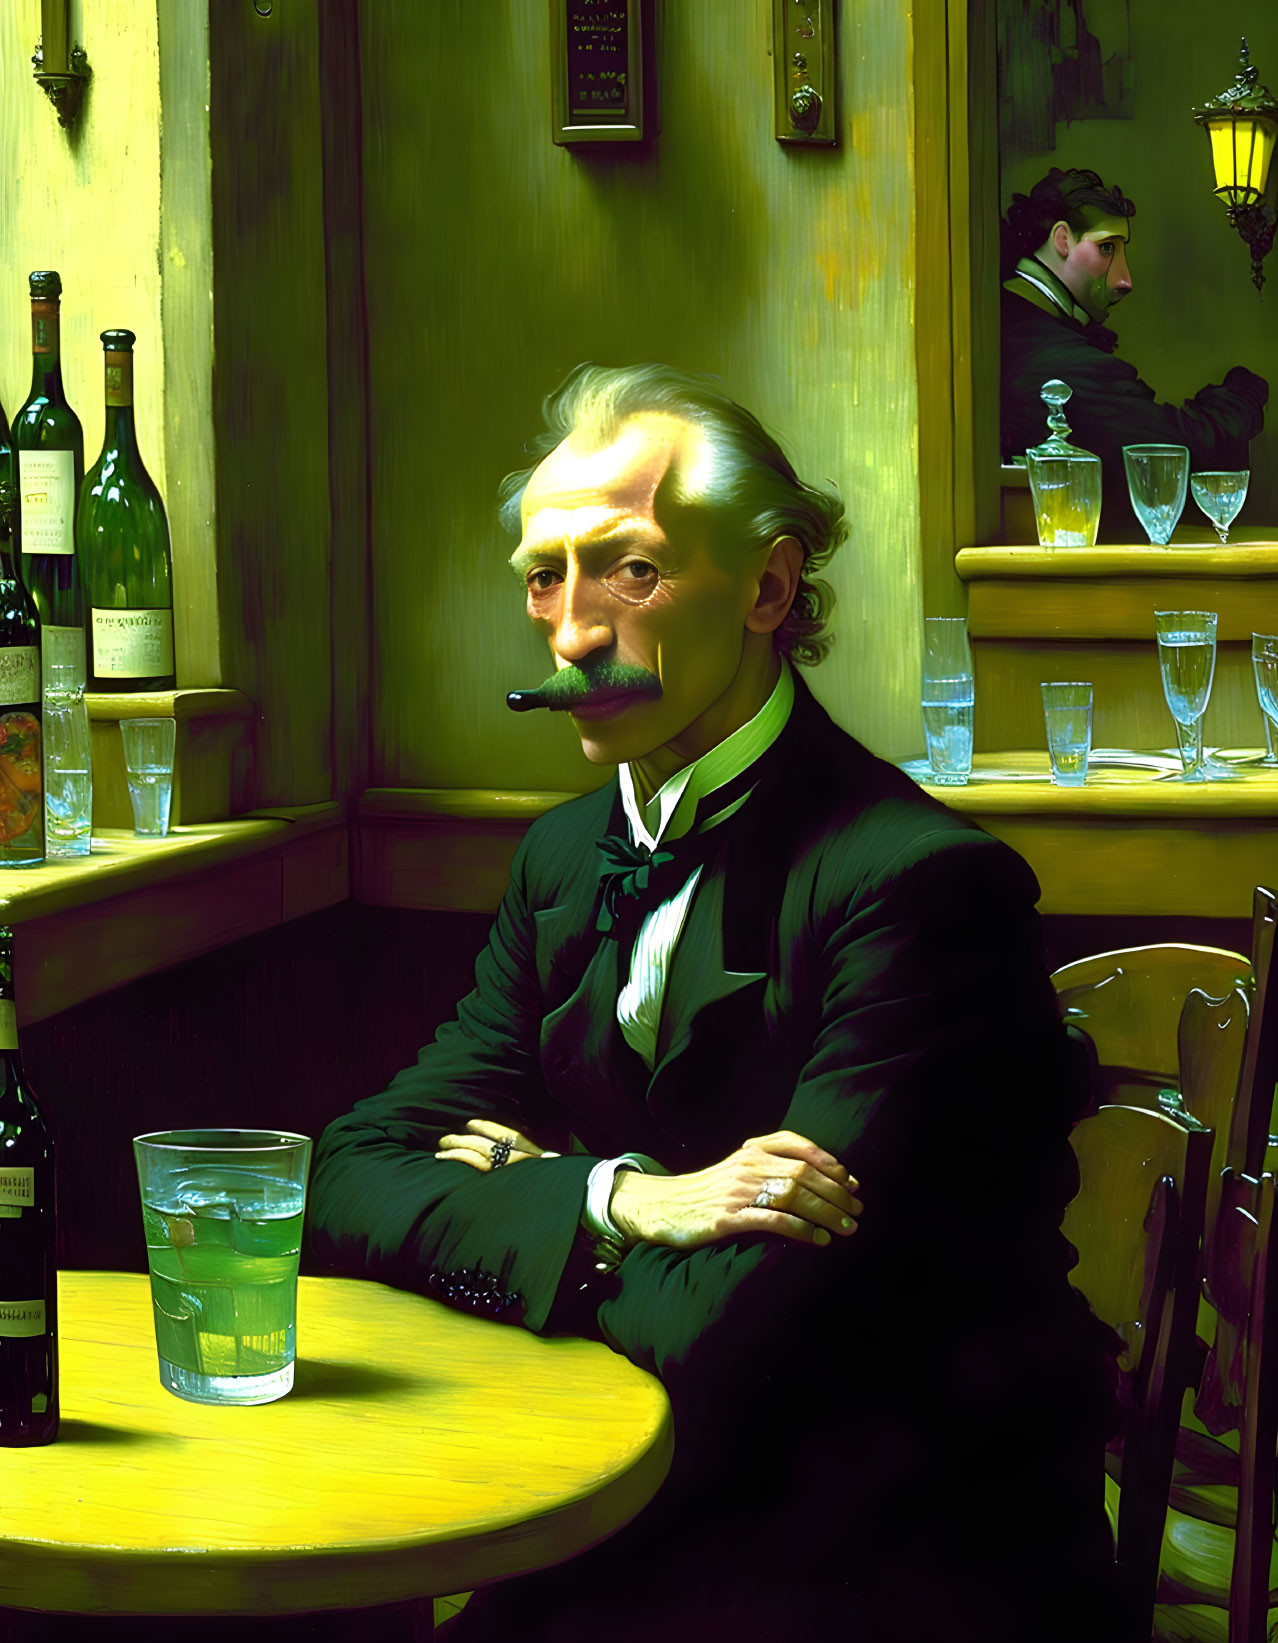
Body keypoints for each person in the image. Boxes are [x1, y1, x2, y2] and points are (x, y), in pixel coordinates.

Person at [310, 363, 1121, 1641]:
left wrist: (513, 1215)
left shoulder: (919, 884)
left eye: (628, 571)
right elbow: (346, 1182)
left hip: (900, 1541)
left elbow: (738, 1334)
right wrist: (621, 1198)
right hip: (637, 1490)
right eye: (544, 576)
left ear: (768, 588)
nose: (574, 631)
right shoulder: (564, 856)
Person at [1001, 166, 1268, 539]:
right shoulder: (1048, 351)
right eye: (1106, 248)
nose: (1125, 280)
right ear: (1062, 240)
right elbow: (1175, 454)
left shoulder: (1018, 319)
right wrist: (1243, 396)